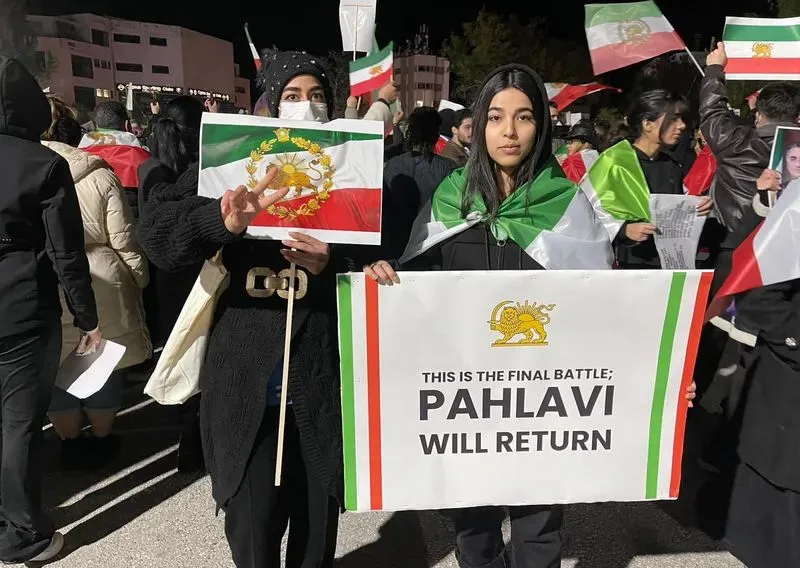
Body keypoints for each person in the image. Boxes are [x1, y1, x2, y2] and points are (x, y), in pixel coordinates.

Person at [365, 63, 608, 568]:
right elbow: (418, 283)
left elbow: (605, 307)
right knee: (473, 532)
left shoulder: (567, 205)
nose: (509, 131)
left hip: (543, 403)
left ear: (542, 125)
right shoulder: (451, 198)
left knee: (538, 531)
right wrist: (386, 277)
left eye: (524, 117)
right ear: (479, 125)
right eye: (496, 117)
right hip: (467, 402)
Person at [137, 50, 342, 568]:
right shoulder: (228, 163)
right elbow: (157, 238)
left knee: (316, 537)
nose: (305, 106)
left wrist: (332, 266)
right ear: (268, 104)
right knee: (252, 533)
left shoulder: (352, 170)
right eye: (291, 96)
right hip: (247, 387)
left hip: (321, 389)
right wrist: (221, 222)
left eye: (317, 96)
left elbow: (382, 268)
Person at [0, 56, 100, 564]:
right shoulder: (43, 163)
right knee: (19, 423)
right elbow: (66, 252)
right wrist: (86, 316)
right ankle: (21, 535)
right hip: (21, 309)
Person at [41, 97, 150, 469]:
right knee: (103, 361)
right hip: (102, 277)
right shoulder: (99, 173)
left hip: (45, 276)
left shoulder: (20, 169)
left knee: (55, 363)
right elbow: (123, 238)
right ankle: (103, 438)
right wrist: (137, 278)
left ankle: (68, 442)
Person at [138, 96, 207, 473]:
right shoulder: (202, 170)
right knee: (202, 355)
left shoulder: (150, 169)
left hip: (166, 277)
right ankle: (197, 438)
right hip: (202, 274)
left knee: (178, 352)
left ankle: (184, 432)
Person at [701, 41, 800, 235]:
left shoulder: (733, 140)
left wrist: (714, 69)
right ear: (797, 118)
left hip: (732, 239)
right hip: (787, 241)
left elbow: (711, 111)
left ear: (758, 115)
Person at [615, 90, 713, 269]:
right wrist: (624, 230)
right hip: (629, 267)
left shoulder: (672, 165)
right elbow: (590, 214)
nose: (682, 126)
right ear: (647, 124)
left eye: (682, 119)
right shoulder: (614, 162)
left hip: (671, 264)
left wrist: (697, 209)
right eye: (673, 119)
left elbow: (675, 211)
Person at [381, 107, 456, 260]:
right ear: (436, 135)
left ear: (410, 133)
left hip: (396, 249)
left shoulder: (392, 166)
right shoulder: (449, 169)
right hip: (433, 249)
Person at [79, 101, 151, 222]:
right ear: (127, 125)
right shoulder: (144, 159)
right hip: (132, 225)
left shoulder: (76, 157)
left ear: (95, 125)